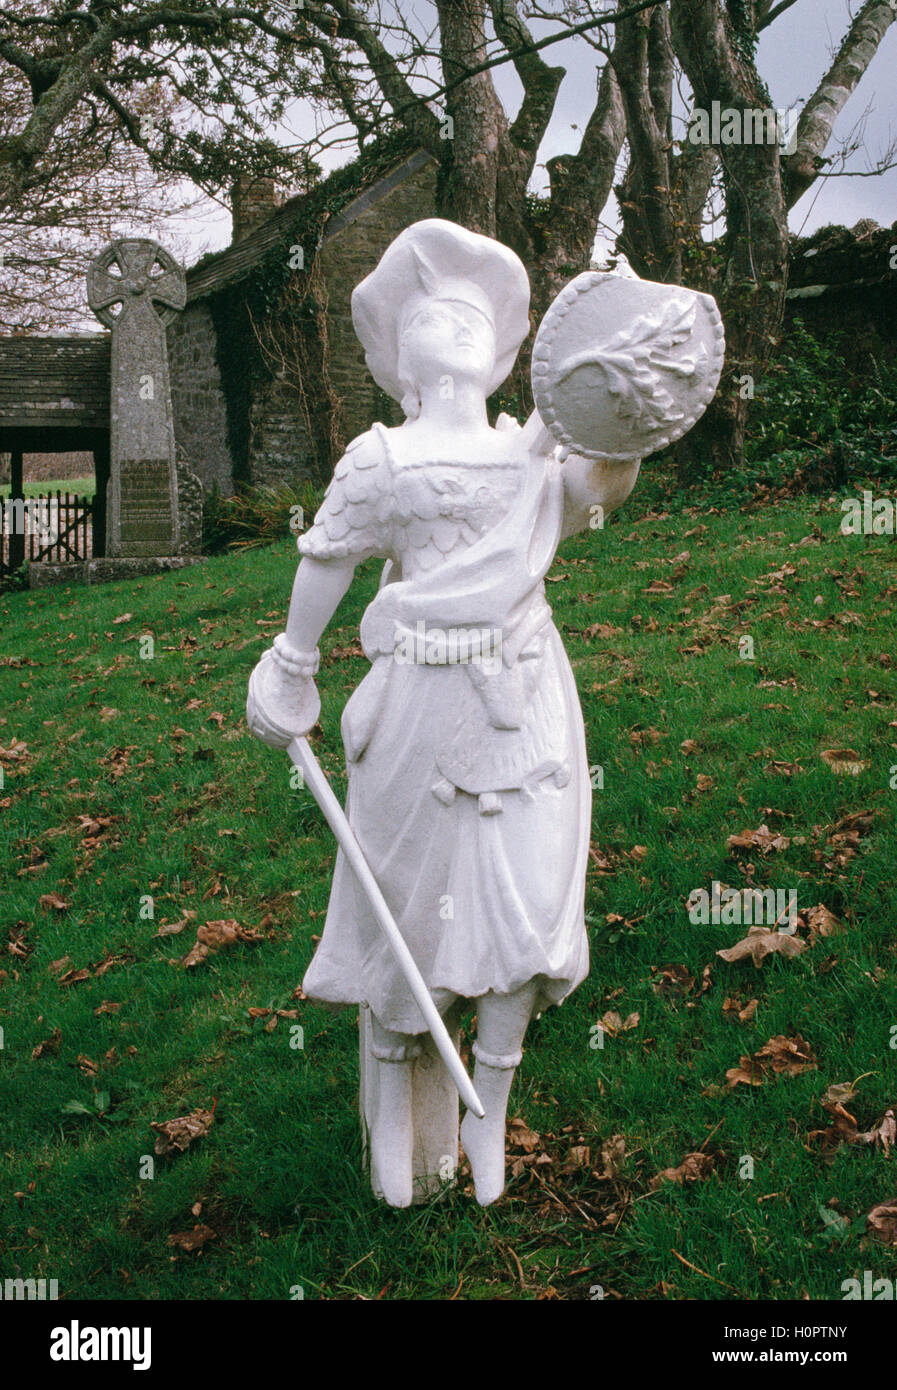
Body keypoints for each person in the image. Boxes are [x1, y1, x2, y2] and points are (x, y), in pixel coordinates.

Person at [246, 219, 640, 1206]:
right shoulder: (377, 458)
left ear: (505, 353)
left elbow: (597, 487)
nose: (454, 322)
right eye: (429, 313)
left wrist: (623, 406)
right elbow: (324, 562)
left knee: (527, 910)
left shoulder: (530, 451)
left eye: (474, 313)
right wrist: (292, 665)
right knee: (409, 912)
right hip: (420, 705)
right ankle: (397, 1107)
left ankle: (489, 1103)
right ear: (397, 360)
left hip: (524, 698)